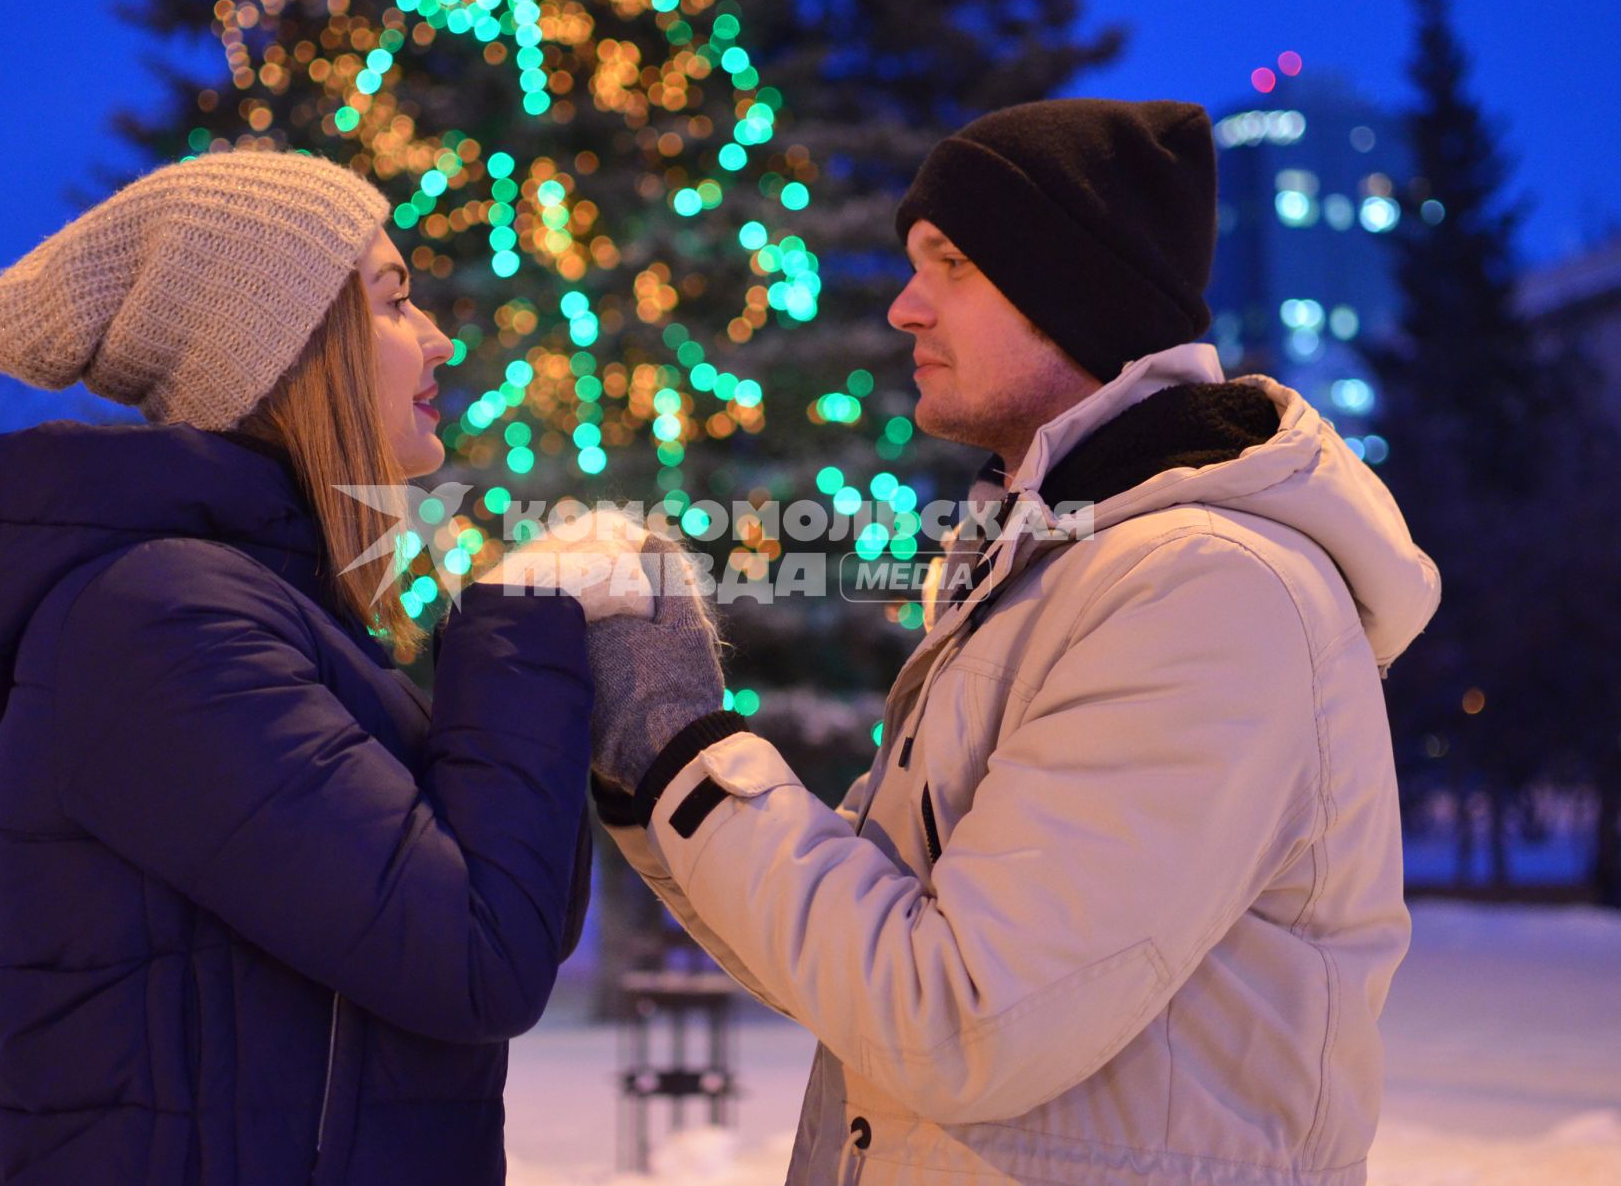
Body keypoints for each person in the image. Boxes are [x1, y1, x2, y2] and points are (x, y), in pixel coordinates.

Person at [582, 99, 1443, 1184]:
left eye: (948, 264)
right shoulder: (1044, 577)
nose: (903, 309)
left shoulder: (1204, 591)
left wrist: (682, 750)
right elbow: (848, 961)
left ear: (1069, 286)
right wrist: (647, 782)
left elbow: (960, 1025)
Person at [0, 149, 648, 1184]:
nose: (437, 337)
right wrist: (525, 622)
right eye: (391, 302)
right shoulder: (161, 624)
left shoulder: (263, 608)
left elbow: (497, 912)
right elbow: (478, 958)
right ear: (282, 349)